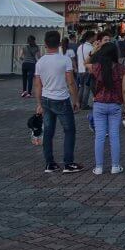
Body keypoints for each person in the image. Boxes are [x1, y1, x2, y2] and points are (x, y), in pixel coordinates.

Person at [34, 30, 83, 174]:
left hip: (46, 99)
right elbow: (71, 83)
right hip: (61, 99)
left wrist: (39, 103)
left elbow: (38, 84)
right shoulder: (65, 60)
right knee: (69, 130)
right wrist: (76, 100)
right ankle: (68, 163)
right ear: (60, 43)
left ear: (45, 44)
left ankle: (50, 163)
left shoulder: (40, 62)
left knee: (48, 132)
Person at [88, 40, 125, 175]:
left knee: (99, 136)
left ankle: (99, 167)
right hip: (115, 104)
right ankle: (115, 166)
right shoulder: (121, 68)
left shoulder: (96, 67)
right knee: (114, 135)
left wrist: (94, 51)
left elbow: (84, 64)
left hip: (99, 104)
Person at [76, 31, 95, 110]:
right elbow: (93, 59)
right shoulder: (91, 48)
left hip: (80, 70)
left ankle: (79, 103)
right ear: (91, 37)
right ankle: (84, 105)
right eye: (94, 36)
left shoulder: (80, 47)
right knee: (87, 88)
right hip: (88, 70)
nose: (95, 38)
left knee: (81, 87)